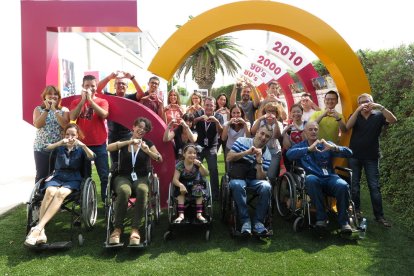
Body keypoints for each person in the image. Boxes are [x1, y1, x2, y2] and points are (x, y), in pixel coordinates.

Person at [25, 124, 95, 247]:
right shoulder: (59, 148)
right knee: (50, 191)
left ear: (77, 136)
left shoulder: (80, 149)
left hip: (73, 178)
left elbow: (92, 156)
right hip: (57, 176)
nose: (70, 137)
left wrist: (82, 145)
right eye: (67, 134)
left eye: (73, 135)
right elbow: (45, 149)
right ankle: (41, 231)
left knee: (61, 193)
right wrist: (59, 143)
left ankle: (38, 228)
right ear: (64, 135)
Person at [286, 121, 353, 233]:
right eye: (310, 129)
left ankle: (344, 222)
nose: (313, 131)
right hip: (313, 179)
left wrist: (334, 148)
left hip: (330, 178)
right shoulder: (301, 146)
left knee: (343, 185)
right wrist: (308, 149)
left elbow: (349, 153)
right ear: (305, 132)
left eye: (315, 129)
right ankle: (321, 218)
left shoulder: (326, 144)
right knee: (311, 179)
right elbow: (289, 154)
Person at [107, 117, 163, 245]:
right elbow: (109, 148)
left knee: (143, 190)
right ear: (133, 127)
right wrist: (128, 143)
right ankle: (117, 228)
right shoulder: (124, 140)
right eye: (140, 127)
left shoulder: (147, 143)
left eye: (145, 129)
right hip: (123, 176)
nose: (142, 130)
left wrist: (147, 151)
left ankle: (135, 229)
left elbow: (159, 158)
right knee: (123, 190)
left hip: (141, 177)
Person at [346, 93, 397, 227]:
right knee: (354, 187)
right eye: (361, 102)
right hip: (354, 156)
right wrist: (357, 110)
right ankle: (356, 211)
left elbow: (393, 120)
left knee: (374, 187)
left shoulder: (379, 116)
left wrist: (381, 107)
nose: (364, 104)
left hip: (372, 157)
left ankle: (379, 216)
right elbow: (347, 127)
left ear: (372, 102)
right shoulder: (355, 115)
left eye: (367, 101)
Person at [226, 124, 273, 235]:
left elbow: (261, 177)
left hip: (253, 179)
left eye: (267, 136)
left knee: (266, 186)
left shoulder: (267, 154)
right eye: (262, 133)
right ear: (256, 132)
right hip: (238, 176)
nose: (263, 137)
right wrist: (246, 152)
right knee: (237, 184)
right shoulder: (242, 141)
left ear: (269, 139)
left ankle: (258, 222)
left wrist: (259, 161)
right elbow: (229, 157)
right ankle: (245, 221)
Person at [70, 74, 109, 201]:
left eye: (93, 86)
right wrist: (83, 101)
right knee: (85, 175)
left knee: (104, 175)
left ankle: (105, 200)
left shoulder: (102, 101)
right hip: (82, 144)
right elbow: (72, 117)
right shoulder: (76, 102)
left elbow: (104, 115)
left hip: (99, 143)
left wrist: (91, 101)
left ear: (96, 87)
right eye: (87, 86)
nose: (90, 88)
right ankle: (87, 200)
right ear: (82, 86)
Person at [96, 71, 145, 165]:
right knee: (114, 163)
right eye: (118, 83)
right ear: (114, 86)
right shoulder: (109, 97)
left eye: (123, 83)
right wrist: (109, 77)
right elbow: (98, 90)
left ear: (127, 87)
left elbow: (141, 94)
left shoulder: (130, 97)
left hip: (127, 134)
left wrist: (132, 78)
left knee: (128, 161)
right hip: (112, 134)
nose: (121, 85)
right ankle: (115, 178)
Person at [33, 85, 70, 183]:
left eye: (55, 94)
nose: (53, 96)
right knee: (41, 174)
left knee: (56, 174)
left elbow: (65, 125)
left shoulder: (64, 110)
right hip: (41, 147)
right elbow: (38, 125)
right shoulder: (38, 109)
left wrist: (54, 110)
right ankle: (39, 196)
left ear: (58, 97)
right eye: (49, 94)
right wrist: (47, 109)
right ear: (44, 96)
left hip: (59, 148)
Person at [193, 96, 224, 199]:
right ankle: (196, 191)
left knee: (213, 169)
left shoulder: (219, 116)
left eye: (211, 105)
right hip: (199, 146)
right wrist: (199, 118)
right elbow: (192, 123)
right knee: (195, 168)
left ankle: (215, 194)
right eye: (207, 105)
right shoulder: (198, 113)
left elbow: (221, 132)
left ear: (214, 106)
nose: (209, 107)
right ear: (203, 105)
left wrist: (216, 122)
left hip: (212, 147)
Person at [172, 143, 210, 223]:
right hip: (184, 184)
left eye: (194, 153)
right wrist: (181, 185)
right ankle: (181, 215)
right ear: (184, 154)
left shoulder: (197, 164)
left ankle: (199, 214)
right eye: (189, 152)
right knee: (180, 192)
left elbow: (206, 174)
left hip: (195, 184)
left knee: (199, 189)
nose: (192, 155)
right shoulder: (180, 165)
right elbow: (175, 179)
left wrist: (200, 165)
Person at [251, 102, 283, 184]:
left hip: (273, 152)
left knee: (271, 176)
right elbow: (253, 132)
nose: (270, 114)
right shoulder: (259, 121)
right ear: (265, 112)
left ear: (276, 113)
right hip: (259, 151)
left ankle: (272, 193)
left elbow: (276, 136)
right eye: (268, 111)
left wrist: (275, 122)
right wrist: (260, 119)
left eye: (273, 112)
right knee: (258, 174)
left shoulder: (278, 124)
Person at [221, 104, 251, 171]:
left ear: (241, 113)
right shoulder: (226, 124)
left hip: (241, 149)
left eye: (238, 113)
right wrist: (228, 124)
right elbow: (223, 138)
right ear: (231, 114)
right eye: (233, 113)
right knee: (229, 169)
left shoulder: (246, 123)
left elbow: (249, 137)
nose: (236, 115)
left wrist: (244, 124)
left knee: (241, 169)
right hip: (229, 148)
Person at [282, 103, 306, 171]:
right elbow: (287, 146)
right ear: (290, 114)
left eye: (298, 112)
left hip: (305, 152)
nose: (296, 114)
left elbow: (306, 141)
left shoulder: (306, 124)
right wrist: (284, 132)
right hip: (293, 153)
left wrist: (296, 125)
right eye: (293, 112)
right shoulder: (288, 127)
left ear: (302, 113)